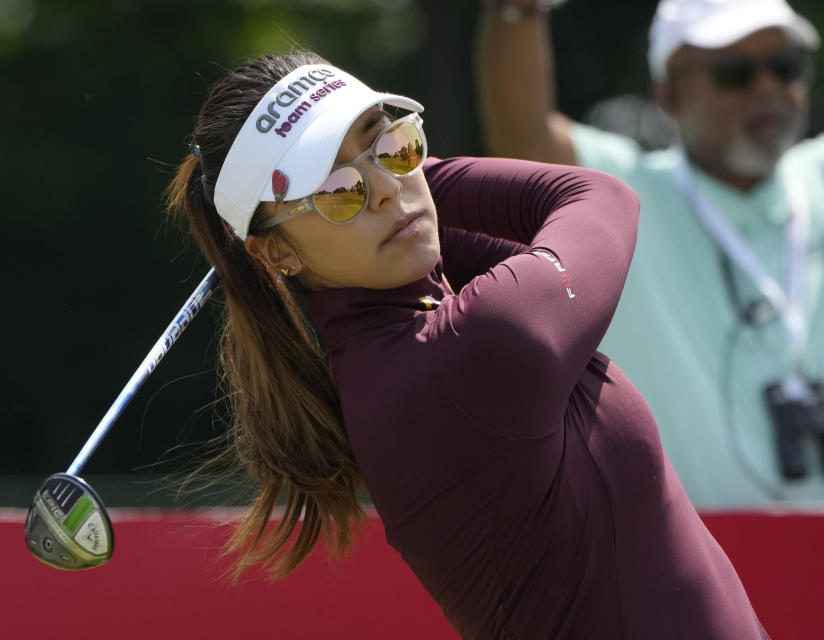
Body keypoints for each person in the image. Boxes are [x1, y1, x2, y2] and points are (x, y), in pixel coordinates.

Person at [164, 50, 769, 638]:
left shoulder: (410, 326)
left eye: (391, 144)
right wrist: (414, 175)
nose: (384, 190)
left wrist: (386, 179)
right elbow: (600, 199)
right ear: (276, 252)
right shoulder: (468, 353)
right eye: (337, 189)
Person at [476, 0, 824, 507]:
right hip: (698, 575)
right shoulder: (626, 197)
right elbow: (522, 139)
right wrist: (518, 10)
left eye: (786, 67)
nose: (768, 88)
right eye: (735, 73)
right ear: (668, 96)